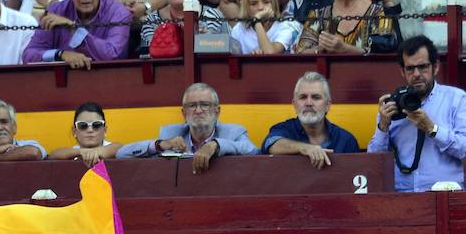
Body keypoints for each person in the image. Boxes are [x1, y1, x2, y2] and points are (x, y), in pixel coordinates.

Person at [367, 35, 466, 192]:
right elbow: (373, 163)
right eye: (410, 68)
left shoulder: (456, 99)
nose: (417, 74)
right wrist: (383, 126)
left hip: (446, 196)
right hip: (401, 197)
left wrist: (432, 129)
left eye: (423, 67)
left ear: (436, 67)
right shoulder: (393, 104)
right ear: (402, 71)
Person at [116, 82, 259, 173]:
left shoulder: (234, 132)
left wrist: (215, 145)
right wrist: (160, 144)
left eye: (205, 104)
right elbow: (122, 154)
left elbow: (253, 151)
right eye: (192, 106)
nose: (198, 110)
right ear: (184, 113)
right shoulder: (169, 133)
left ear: (217, 111)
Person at [22, 0, 131, 68]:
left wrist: (75, 29)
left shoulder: (119, 13)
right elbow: (28, 55)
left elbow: (112, 55)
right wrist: (60, 54)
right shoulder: (56, 11)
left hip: (108, 79)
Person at [262, 71, 359, 168]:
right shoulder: (284, 129)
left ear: (327, 105)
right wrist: (305, 148)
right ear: (295, 105)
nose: (308, 103)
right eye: (303, 97)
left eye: (316, 97)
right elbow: (270, 144)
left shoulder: (346, 140)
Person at [230, 0, 298, 54]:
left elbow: (270, 53)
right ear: (246, 7)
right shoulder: (238, 30)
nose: (260, 8)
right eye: (254, 4)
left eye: (266, 2)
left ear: (273, 3)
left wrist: (256, 21)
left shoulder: (287, 26)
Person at [48, 101, 123, 165]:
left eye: (96, 125)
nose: (90, 130)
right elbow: (52, 155)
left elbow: (119, 148)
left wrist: (96, 152)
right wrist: (81, 152)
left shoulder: (114, 148)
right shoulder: (73, 152)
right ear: (74, 131)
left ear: (105, 130)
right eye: (83, 125)